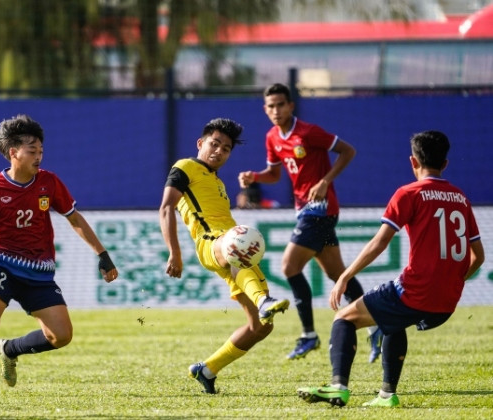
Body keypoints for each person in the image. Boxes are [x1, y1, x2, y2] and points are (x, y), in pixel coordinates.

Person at [297, 130, 484, 407]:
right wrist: (451, 281)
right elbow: (477, 257)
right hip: (447, 301)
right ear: (445, 163)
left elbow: (380, 241)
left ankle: (338, 387)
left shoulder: (408, 193)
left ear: (412, 162)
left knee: (344, 317)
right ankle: (387, 395)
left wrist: (345, 276)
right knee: (393, 320)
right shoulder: (460, 198)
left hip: (416, 291)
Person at [0, 114, 118, 397]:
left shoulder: (49, 183)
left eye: (41, 151)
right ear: (13, 153)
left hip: (38, 271)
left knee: (61, 336)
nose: (39, 156)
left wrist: (102, 254)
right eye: (32, 151)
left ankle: (9, 349)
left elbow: (74, 219)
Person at [239, 83, 382, 362]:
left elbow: (348, 151)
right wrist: (254, 177)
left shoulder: (309, 132)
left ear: (291, 106)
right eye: (271, 106)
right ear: (265, 109)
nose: (276, 110)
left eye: (281, 104)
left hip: (320, 208)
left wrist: (325, 181)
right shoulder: (272, 137)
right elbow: (275, 174)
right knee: (337, 273)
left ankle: (308, 335)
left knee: (289, 266)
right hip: (304, 209)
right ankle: (376, 326)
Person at [160, 117, 290, 394]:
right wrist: (175, 252)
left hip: (229, 245)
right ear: (200, 143)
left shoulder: (217, 181)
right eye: (214, 144)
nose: (219, 151)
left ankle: (206, 369)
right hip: (212, 244)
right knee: (239, 248)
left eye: (226, 148)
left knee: (260, 327)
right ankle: (264, 299)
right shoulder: (185, 167)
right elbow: (165, 208)